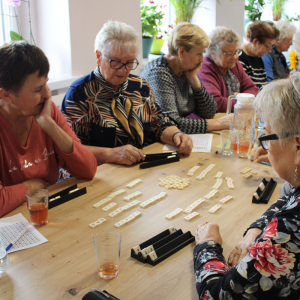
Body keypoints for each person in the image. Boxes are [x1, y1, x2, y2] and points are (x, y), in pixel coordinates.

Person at [194, 73, 300, 299]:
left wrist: (207, 245)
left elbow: (216, 295)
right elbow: (288, 197)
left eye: (268, 134)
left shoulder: (291, 228)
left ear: (297, 146)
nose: (265, 145)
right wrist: (257, 229)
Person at [61, 21, 192, 165]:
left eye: (129, 62)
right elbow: (70, 148)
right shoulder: (80, 94)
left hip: (141, 166)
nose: (123, 70)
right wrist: (110, 154)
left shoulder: (140, 86)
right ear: (98, 56)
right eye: (116, 62)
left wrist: (177, 135)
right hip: (103, 173)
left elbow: (159, 124)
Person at [0, 42, 97, 217]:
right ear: (6, 95)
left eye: (46, 83)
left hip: (47, 211)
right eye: (37, 89)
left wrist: (49, 125)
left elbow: (88, 169)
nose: (47, 94)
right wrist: (31, 186)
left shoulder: (47, 110)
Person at [140, 22, 233, 134]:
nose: (202, 60)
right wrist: (219, 123)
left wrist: (194, 81)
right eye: (199, 54)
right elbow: (170, 123)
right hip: (153, 142)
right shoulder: (159, 72)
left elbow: (210, 112)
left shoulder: (185, 69)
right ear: (182, 52)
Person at [199, 26, 258, 112]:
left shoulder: (235, 64)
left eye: (236, 52)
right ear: (213, 54)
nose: (235, 57)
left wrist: (241, 99)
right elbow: (216, 103)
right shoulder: (204, 68)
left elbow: (252, 88)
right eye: (229, 53)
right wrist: (242, 100)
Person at [239, 21, 279, 89]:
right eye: (267, 46)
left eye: (271, 47)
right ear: (255, 42)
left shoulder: (258, 56)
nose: (270, 50)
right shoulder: (240, 59)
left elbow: (263, 83)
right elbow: (246, 89)